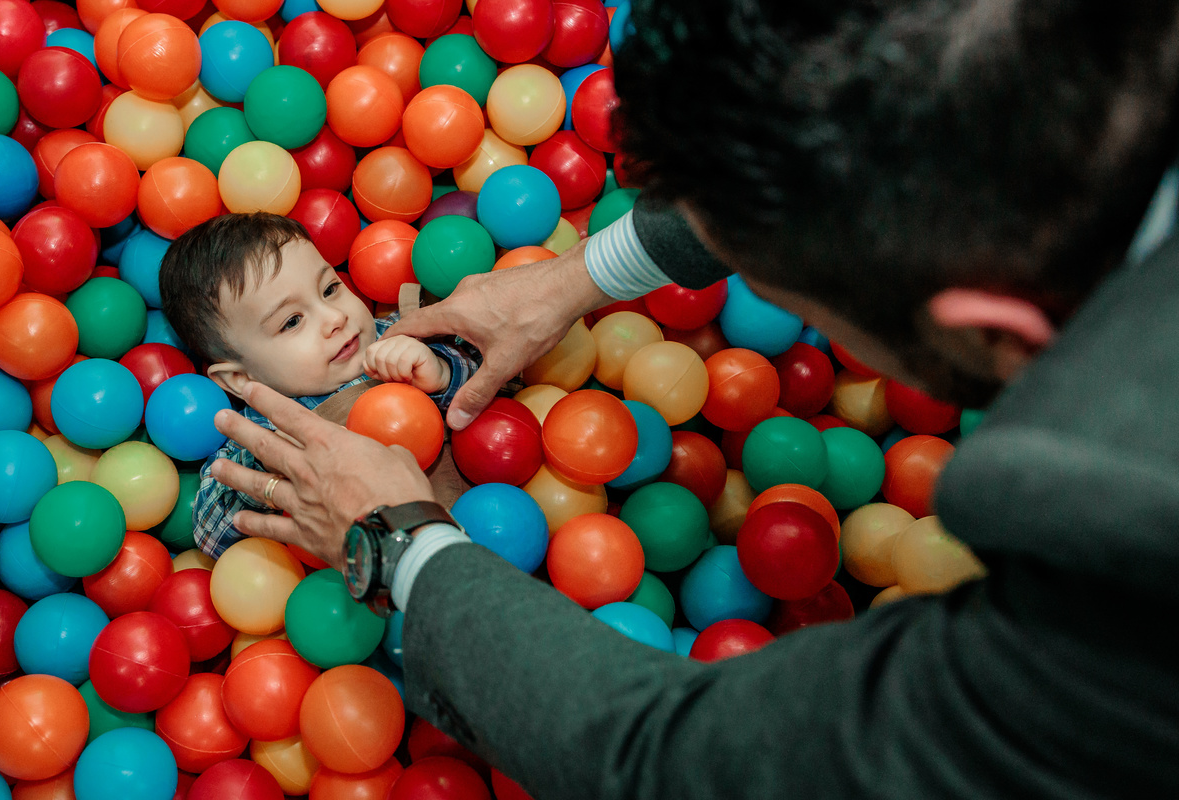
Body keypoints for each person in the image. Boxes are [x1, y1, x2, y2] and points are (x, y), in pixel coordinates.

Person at [209, 2, 1179, 797]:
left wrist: (400, 544)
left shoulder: (1107, 569)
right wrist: (580, 277)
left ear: (996, 332)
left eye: (788, 292)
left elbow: (678, 762)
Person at [158, 213, 479, 557]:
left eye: (329, 289)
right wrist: (274, 461)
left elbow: (497, 370)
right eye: (292, 322)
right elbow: (210, 534)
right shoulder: (260, 430)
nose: (335, 318)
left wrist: (443, 372)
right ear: (241, 378)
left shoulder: (405, 332)